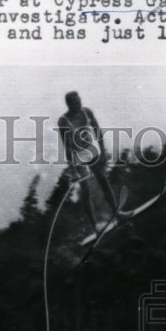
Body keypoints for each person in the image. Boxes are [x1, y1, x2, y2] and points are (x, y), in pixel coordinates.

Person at [58, 91, 123, 231]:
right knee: (86, 188)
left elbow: (97, 131)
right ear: (69, 104)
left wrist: (103, 151)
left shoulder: (86, 112)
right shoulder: (63, 121)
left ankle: (117, 213)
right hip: (77, 156)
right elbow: (67, 147)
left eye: (79, 100)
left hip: (90, 150)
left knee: (103, 179)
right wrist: (73, 171)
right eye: (75, 102)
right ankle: (95, 226)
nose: (79, 103)